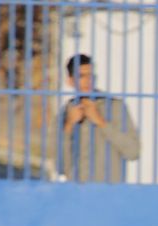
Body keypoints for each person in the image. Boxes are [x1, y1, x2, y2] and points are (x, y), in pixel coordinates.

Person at [56, 53, 140, 183]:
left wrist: (101, 122)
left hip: (109, 193)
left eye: (91, 76)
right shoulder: (66, 112)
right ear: (70, 81)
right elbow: (59, 166)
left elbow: (133, 152)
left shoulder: (115, 107)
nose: (88, 81)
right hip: (76, 193)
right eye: (81, 76)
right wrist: (69, 125)